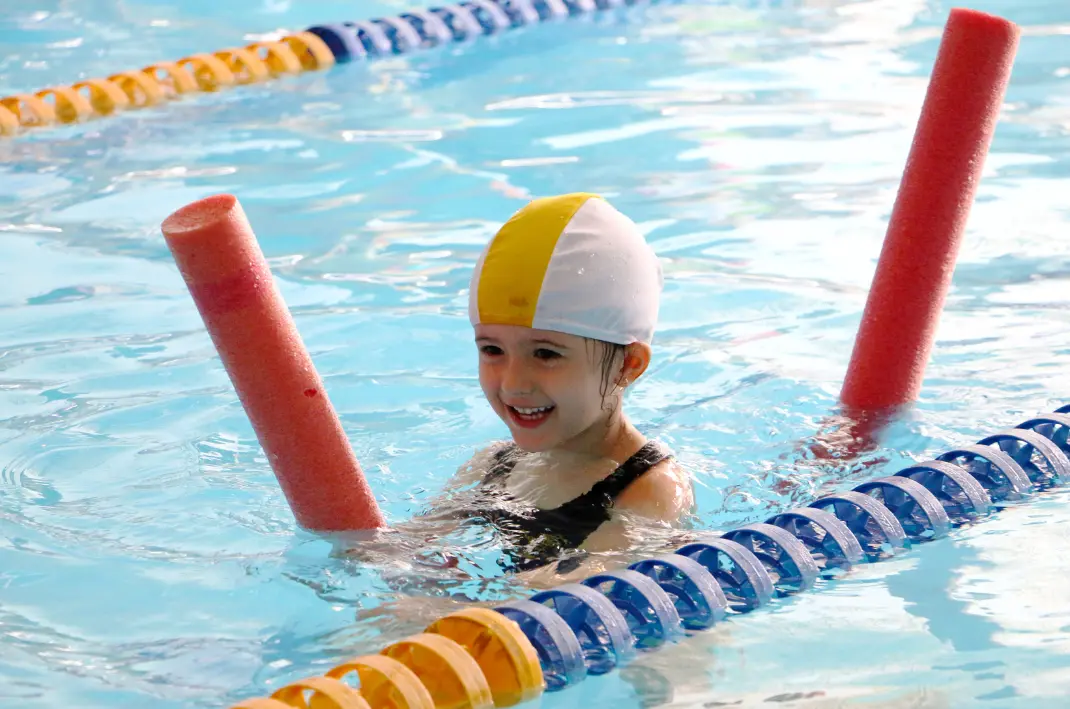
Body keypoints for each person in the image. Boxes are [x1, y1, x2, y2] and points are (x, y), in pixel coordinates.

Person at [424, 191, 696, 582]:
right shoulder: (494, 464)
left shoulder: (649, 487)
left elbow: (588, 583)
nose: (514, 383)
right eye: (492, 349)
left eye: (547, 354)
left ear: (628, 365)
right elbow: (404, 549)